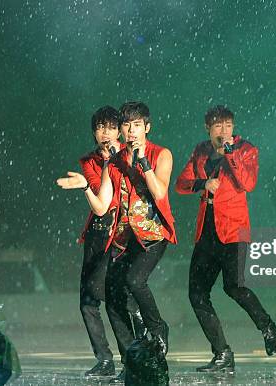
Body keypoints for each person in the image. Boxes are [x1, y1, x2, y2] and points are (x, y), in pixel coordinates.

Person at [57, 102, 175, 383]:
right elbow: (101, 207)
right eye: (127, 125)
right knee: (110, 298)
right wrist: (86, 187)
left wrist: (143, 161)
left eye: (136, 125)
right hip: (123, 238)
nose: (131, 131)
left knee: (135, 281)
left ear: (146, 127)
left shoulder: (162, 154)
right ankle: (130, 358)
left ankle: (158, 329)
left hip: (153, 234)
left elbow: (159, 192)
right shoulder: (112, 161)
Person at [175, 105, 276, 373]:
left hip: (233, 231)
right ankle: (222, 353)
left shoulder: (246, 149)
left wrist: (231, 154)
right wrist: (203, 184)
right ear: (208, 129)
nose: (224, 132)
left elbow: (248, 183)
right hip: (207, 232)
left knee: (234, 287)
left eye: (228, 126)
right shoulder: (201, 150)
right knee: (197, 294)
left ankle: (268, 327)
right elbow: (181, 183)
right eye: (218, 127)